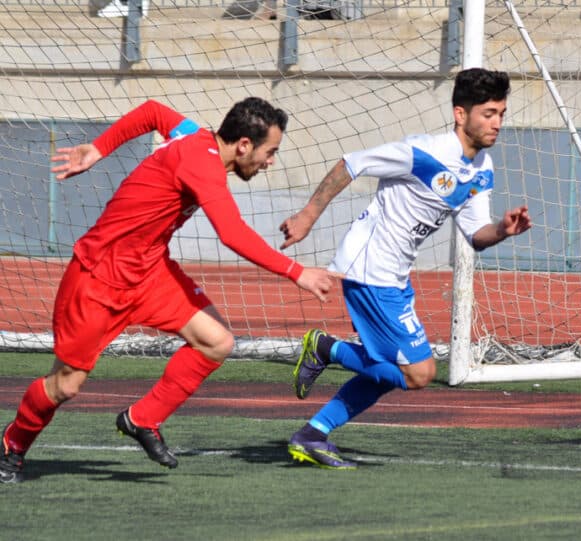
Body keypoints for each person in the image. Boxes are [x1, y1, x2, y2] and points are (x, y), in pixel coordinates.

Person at [0, 97, 338, 483]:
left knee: (216, 342)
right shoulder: (203, 165)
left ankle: (142, 419)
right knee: (66, 385)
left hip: (150, 273)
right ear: (244, 145)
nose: (270, 161)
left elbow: (153, 111)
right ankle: (12, 448)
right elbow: (232, 234)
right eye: (270, 151)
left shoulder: (192, 135)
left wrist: (99, 148)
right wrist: (297, 272)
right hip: (99, 277)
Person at [279, 68, 533, 469]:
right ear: (459, 114)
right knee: (418, 373)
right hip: (368, 269)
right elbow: (352, 163)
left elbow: (475, 236)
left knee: (391, 372)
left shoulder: (482, 169)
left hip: (395, 277)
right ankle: (326, 348)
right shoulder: (423, 152)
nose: (497, 123)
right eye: (488, 113)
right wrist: (309, 215)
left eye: (501, 112)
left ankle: (313, 434)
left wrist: (503, 229)